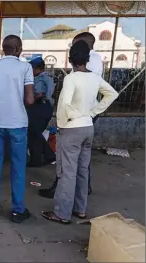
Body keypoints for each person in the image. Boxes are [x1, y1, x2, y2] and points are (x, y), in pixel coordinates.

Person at [41, 41, 118, 224]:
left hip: (71, 129)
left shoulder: (71, 78)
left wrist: (66, 121)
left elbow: (65, 104)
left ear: (70, 59)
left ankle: (62, 213)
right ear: (88, 59)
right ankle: (80, 209)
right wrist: (92, 112)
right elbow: (112, 94)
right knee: (83, 170)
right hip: (88, 128)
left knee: (67, 172)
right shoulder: (94, 77)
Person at [39, 32, 103, 198]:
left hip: (76, 116)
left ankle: (62, 197)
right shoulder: (95, 61)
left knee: (67, 159)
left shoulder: (84, 69)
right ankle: (82, 193)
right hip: (88, 115)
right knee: (82, 158)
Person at [0, 35, 35, 224]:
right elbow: (29, 100)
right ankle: (18, 210)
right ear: (18, 49)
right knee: (18, 166)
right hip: (18, 124)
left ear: (3, 49)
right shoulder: (25, 68)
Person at [26, 57, 56, 167]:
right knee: (34, 133)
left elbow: (48, 92)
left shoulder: (45, 78)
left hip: (42, 107)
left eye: (32, 68)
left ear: (38, 68)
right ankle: (37, 159)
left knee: (35, 132)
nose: (31, 71)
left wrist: (42, 96)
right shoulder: (36, 78)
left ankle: (47, 156)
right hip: (36, 107)